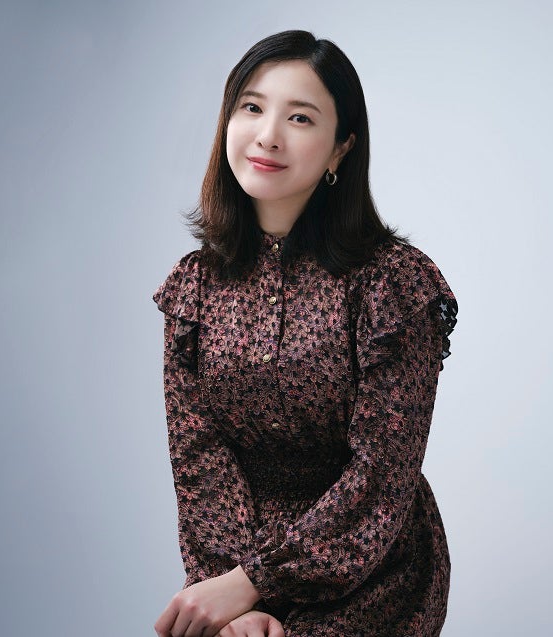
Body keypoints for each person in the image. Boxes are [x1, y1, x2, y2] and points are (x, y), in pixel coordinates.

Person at [152, 29, 458, 637]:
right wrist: (235, 599)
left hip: (373, 571)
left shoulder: (392, 283)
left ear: (341, 149)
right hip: (235, 571)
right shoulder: (194, 288)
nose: (268, 135)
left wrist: (254, 581)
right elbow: (199, 462)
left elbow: (383, 473)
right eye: (252, 107)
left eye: (299, 117)